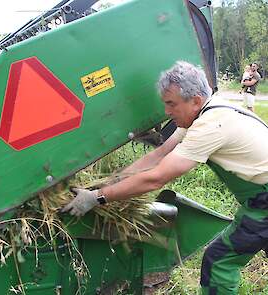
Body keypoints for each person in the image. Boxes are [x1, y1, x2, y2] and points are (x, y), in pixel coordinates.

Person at [62, 61, 268, 295]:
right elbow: (159, 155)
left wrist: (97, 197)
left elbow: (156, 178)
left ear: (195, 100)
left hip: (263, 204)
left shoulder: (212, 125)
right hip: (258, 198)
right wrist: (112, 181)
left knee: (219, 261)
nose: (167, 111)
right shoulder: (204, 113)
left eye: (171, 104)